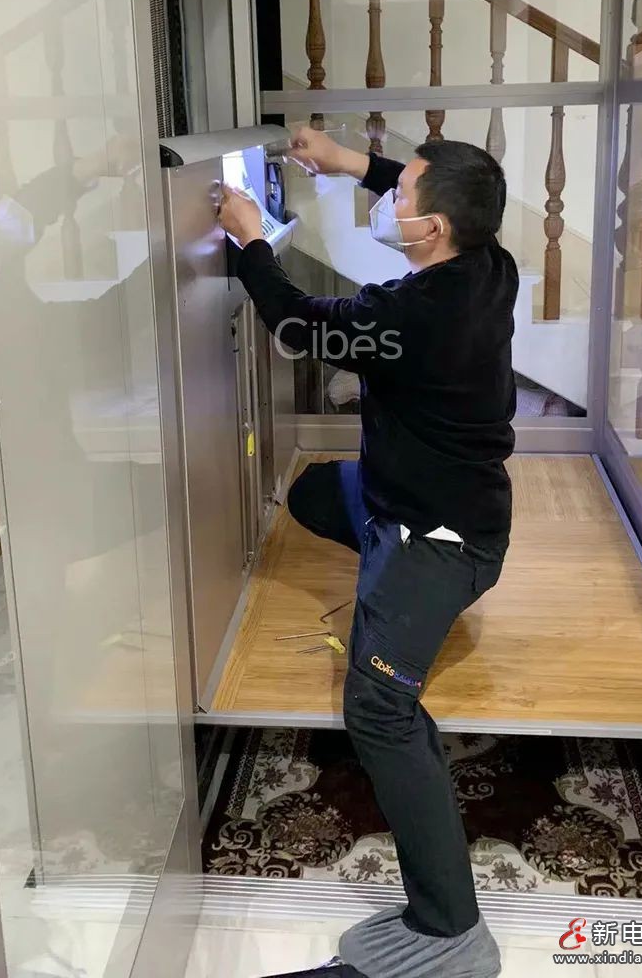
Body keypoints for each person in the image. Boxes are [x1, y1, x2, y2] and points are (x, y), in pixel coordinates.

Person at [218, 127, 518, 978]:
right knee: (313, 495)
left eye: (400, 194)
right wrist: (349, 162)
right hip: (419, 499)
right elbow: (427, 191)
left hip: (439, 541)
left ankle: (449, 930)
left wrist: (250, 240)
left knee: (379, 711)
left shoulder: (408, 317)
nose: (390, 197)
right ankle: (390, 581)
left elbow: (297, 323)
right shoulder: (490, 264)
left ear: (433, 228)